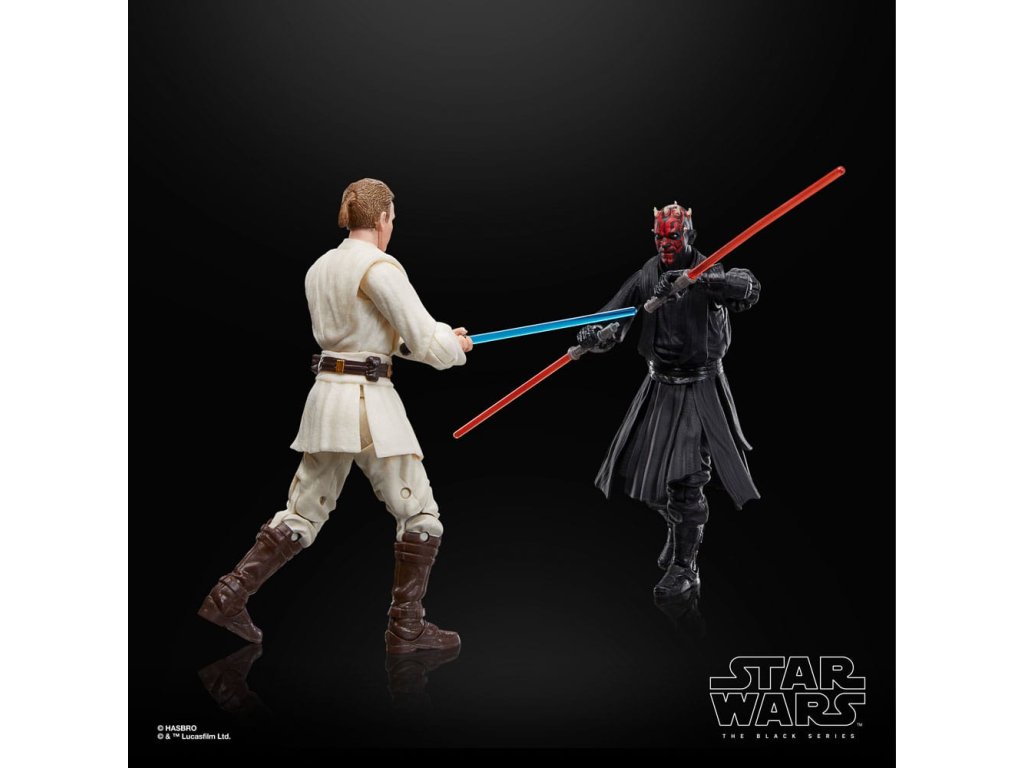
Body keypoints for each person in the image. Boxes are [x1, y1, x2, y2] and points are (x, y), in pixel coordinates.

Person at [199, 178, 473, 654]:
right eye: (392, 219)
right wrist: (453, 346)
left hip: (327, 399)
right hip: (369, 404)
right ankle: (406, 627)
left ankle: (229, 594)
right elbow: (424, 341)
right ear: (382, 218)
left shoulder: (321, 267)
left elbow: (380, 337)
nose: (392, 227)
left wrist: (441, 338)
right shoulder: (380, 267)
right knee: (420, 513)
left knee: (303, 511)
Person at [576, 202, 760, 598]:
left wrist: (698, 280)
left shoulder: (709, 269)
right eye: (659, 237)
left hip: (701, 387)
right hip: (659, 385)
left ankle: (685, 566)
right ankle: (681, 532)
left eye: (673, 236)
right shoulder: (647, 276)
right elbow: (613, 318)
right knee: (643, 475)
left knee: (687, 482)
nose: (665, 244)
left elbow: (748, 287)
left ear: (689, 234)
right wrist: (593, 335)